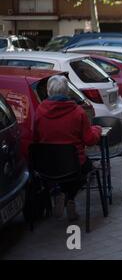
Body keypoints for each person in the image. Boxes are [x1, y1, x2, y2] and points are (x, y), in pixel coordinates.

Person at [33, 75, 102, 221]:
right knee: (89, 169)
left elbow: (36, 139)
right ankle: (69, 198)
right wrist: (97, 129)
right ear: (67, 92)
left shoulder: (39, 111)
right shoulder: (78, 112)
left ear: (48, 91)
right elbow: (90, 140)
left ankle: (61, 193)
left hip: (47, 166)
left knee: (64, 170)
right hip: (74, 164)